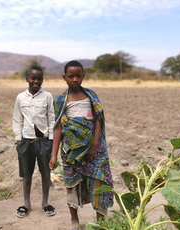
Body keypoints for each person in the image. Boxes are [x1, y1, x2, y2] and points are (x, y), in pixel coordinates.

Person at [49, 60, 113, 230]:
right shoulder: (61, 101)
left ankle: (101, 221)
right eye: (71, 76)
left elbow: (99, 119)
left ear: (83, 76)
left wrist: (96, 143)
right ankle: (74, 220)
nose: (75, 79)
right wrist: (54, 155)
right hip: (71, 152)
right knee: (71, 184)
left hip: (95, 150)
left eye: (78, 76)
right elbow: (58, 128)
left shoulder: (91, 96)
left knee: (99, 182)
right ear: (64, 77)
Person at [13, 66, 56, 218]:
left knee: (46, 173)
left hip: (44, 142)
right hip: (26, 141)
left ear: (42, 80)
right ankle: (26, 203)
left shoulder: (47, 96)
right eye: (33, 78)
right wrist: (18, 140)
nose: (36, 81)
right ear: (27, 79)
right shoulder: (20, 97)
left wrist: (51, 140)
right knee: (27, 174)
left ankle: (45, 202)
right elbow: (17, 119)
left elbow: (52, 118)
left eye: (39, 78)